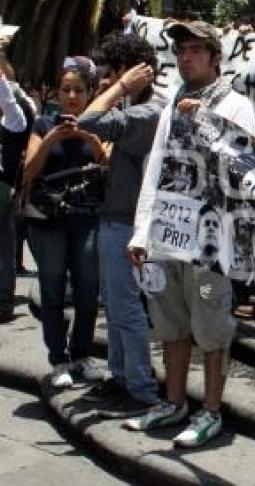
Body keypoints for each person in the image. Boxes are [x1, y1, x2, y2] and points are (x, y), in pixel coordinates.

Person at [125, 20, 255, 448]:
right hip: (167, 233)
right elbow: (155, 171)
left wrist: (202, 121)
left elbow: (239, 166)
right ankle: (174, 401)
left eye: (197, 49)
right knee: (170, 324)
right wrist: (141, 232)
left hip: (210, 240)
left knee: (213, 329)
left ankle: (211, 410)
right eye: (181, 50)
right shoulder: (169, 106)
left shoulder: (236, 104)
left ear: (215, 57)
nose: (187, 57)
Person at [75, 33, 164, 415]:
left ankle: (141, 390)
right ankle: (121, 377)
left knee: (125, 308)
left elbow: (88, 118)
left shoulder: (149, 112)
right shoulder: (137, 109)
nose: (109, 82)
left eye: (115, 73)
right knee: (114, 306)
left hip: (129, 225)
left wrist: (121, 89)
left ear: (135, 73)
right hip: (115, 219)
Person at [23, 56, 107, 388]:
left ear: (90, 94)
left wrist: (89, 138)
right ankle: (58, 360)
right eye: (65, 89)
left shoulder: (100, 124)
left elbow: (108, 165)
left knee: (88, 291)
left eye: (78, 90)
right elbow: (28, 171)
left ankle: (81, 356)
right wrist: (51, 140)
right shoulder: (43, 124)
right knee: (52, 288)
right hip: (48, 221)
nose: (71, 96)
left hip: (86, 217)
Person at [0, 46, 35, 323]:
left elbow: (20, 119)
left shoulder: (14, 116)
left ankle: (3, 303)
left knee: (5, 249)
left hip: (4, 188)